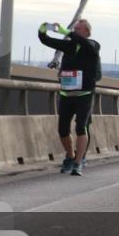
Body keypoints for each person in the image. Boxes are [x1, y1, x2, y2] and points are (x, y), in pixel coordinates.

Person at [39, 18, 101, 177]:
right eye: (75, 29)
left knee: (81, 127)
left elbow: (84, 42)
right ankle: (71, 156)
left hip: (84, 94)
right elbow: (46, 40)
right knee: (62, 130)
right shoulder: (69, 46)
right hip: (67, 94)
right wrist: (43, 28)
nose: (75, 31)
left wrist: (67, 32)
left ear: (87, 32)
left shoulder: (92, 45)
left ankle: (79, 162)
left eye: (79, 29)